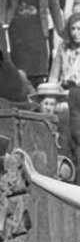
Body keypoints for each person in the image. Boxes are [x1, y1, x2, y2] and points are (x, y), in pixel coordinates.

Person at [48, 13, 80, 166]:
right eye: (73, 28)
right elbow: (54, 75)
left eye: (79, 29)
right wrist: (52, 96)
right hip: (64, 94)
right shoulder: (63, 47)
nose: (76, 32)